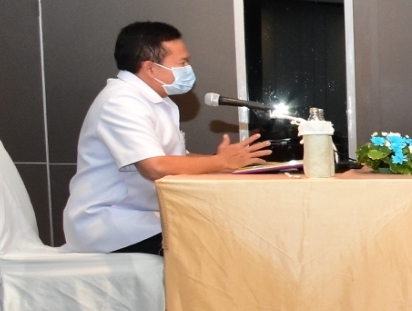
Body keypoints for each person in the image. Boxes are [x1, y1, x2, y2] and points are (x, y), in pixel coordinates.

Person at [62, 21, 272, 254]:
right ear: (150, 68)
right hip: (111, 223)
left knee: (232, 230)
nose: (188, 69)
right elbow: (154, 166)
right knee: (216, 245)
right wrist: (219, 162)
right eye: (182, 63)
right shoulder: (121, 101)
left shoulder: (155, 100)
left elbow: (176, 158)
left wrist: (227, 163)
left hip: (142, 217)